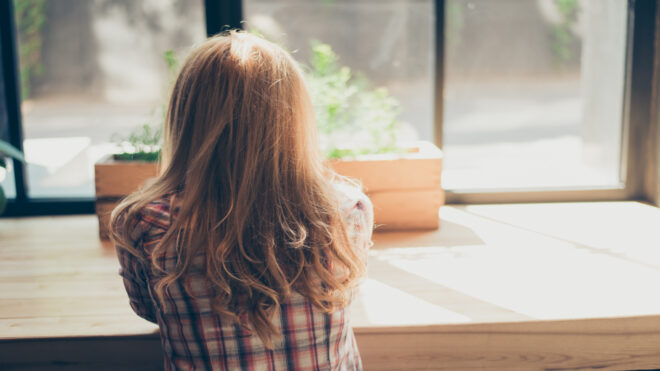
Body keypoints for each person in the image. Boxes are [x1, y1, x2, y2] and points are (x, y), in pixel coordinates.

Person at [110, 30, 374, 371]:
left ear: (185, 118)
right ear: (295, 119)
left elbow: (149, 309)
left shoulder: (144, 223)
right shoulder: (348, 211)